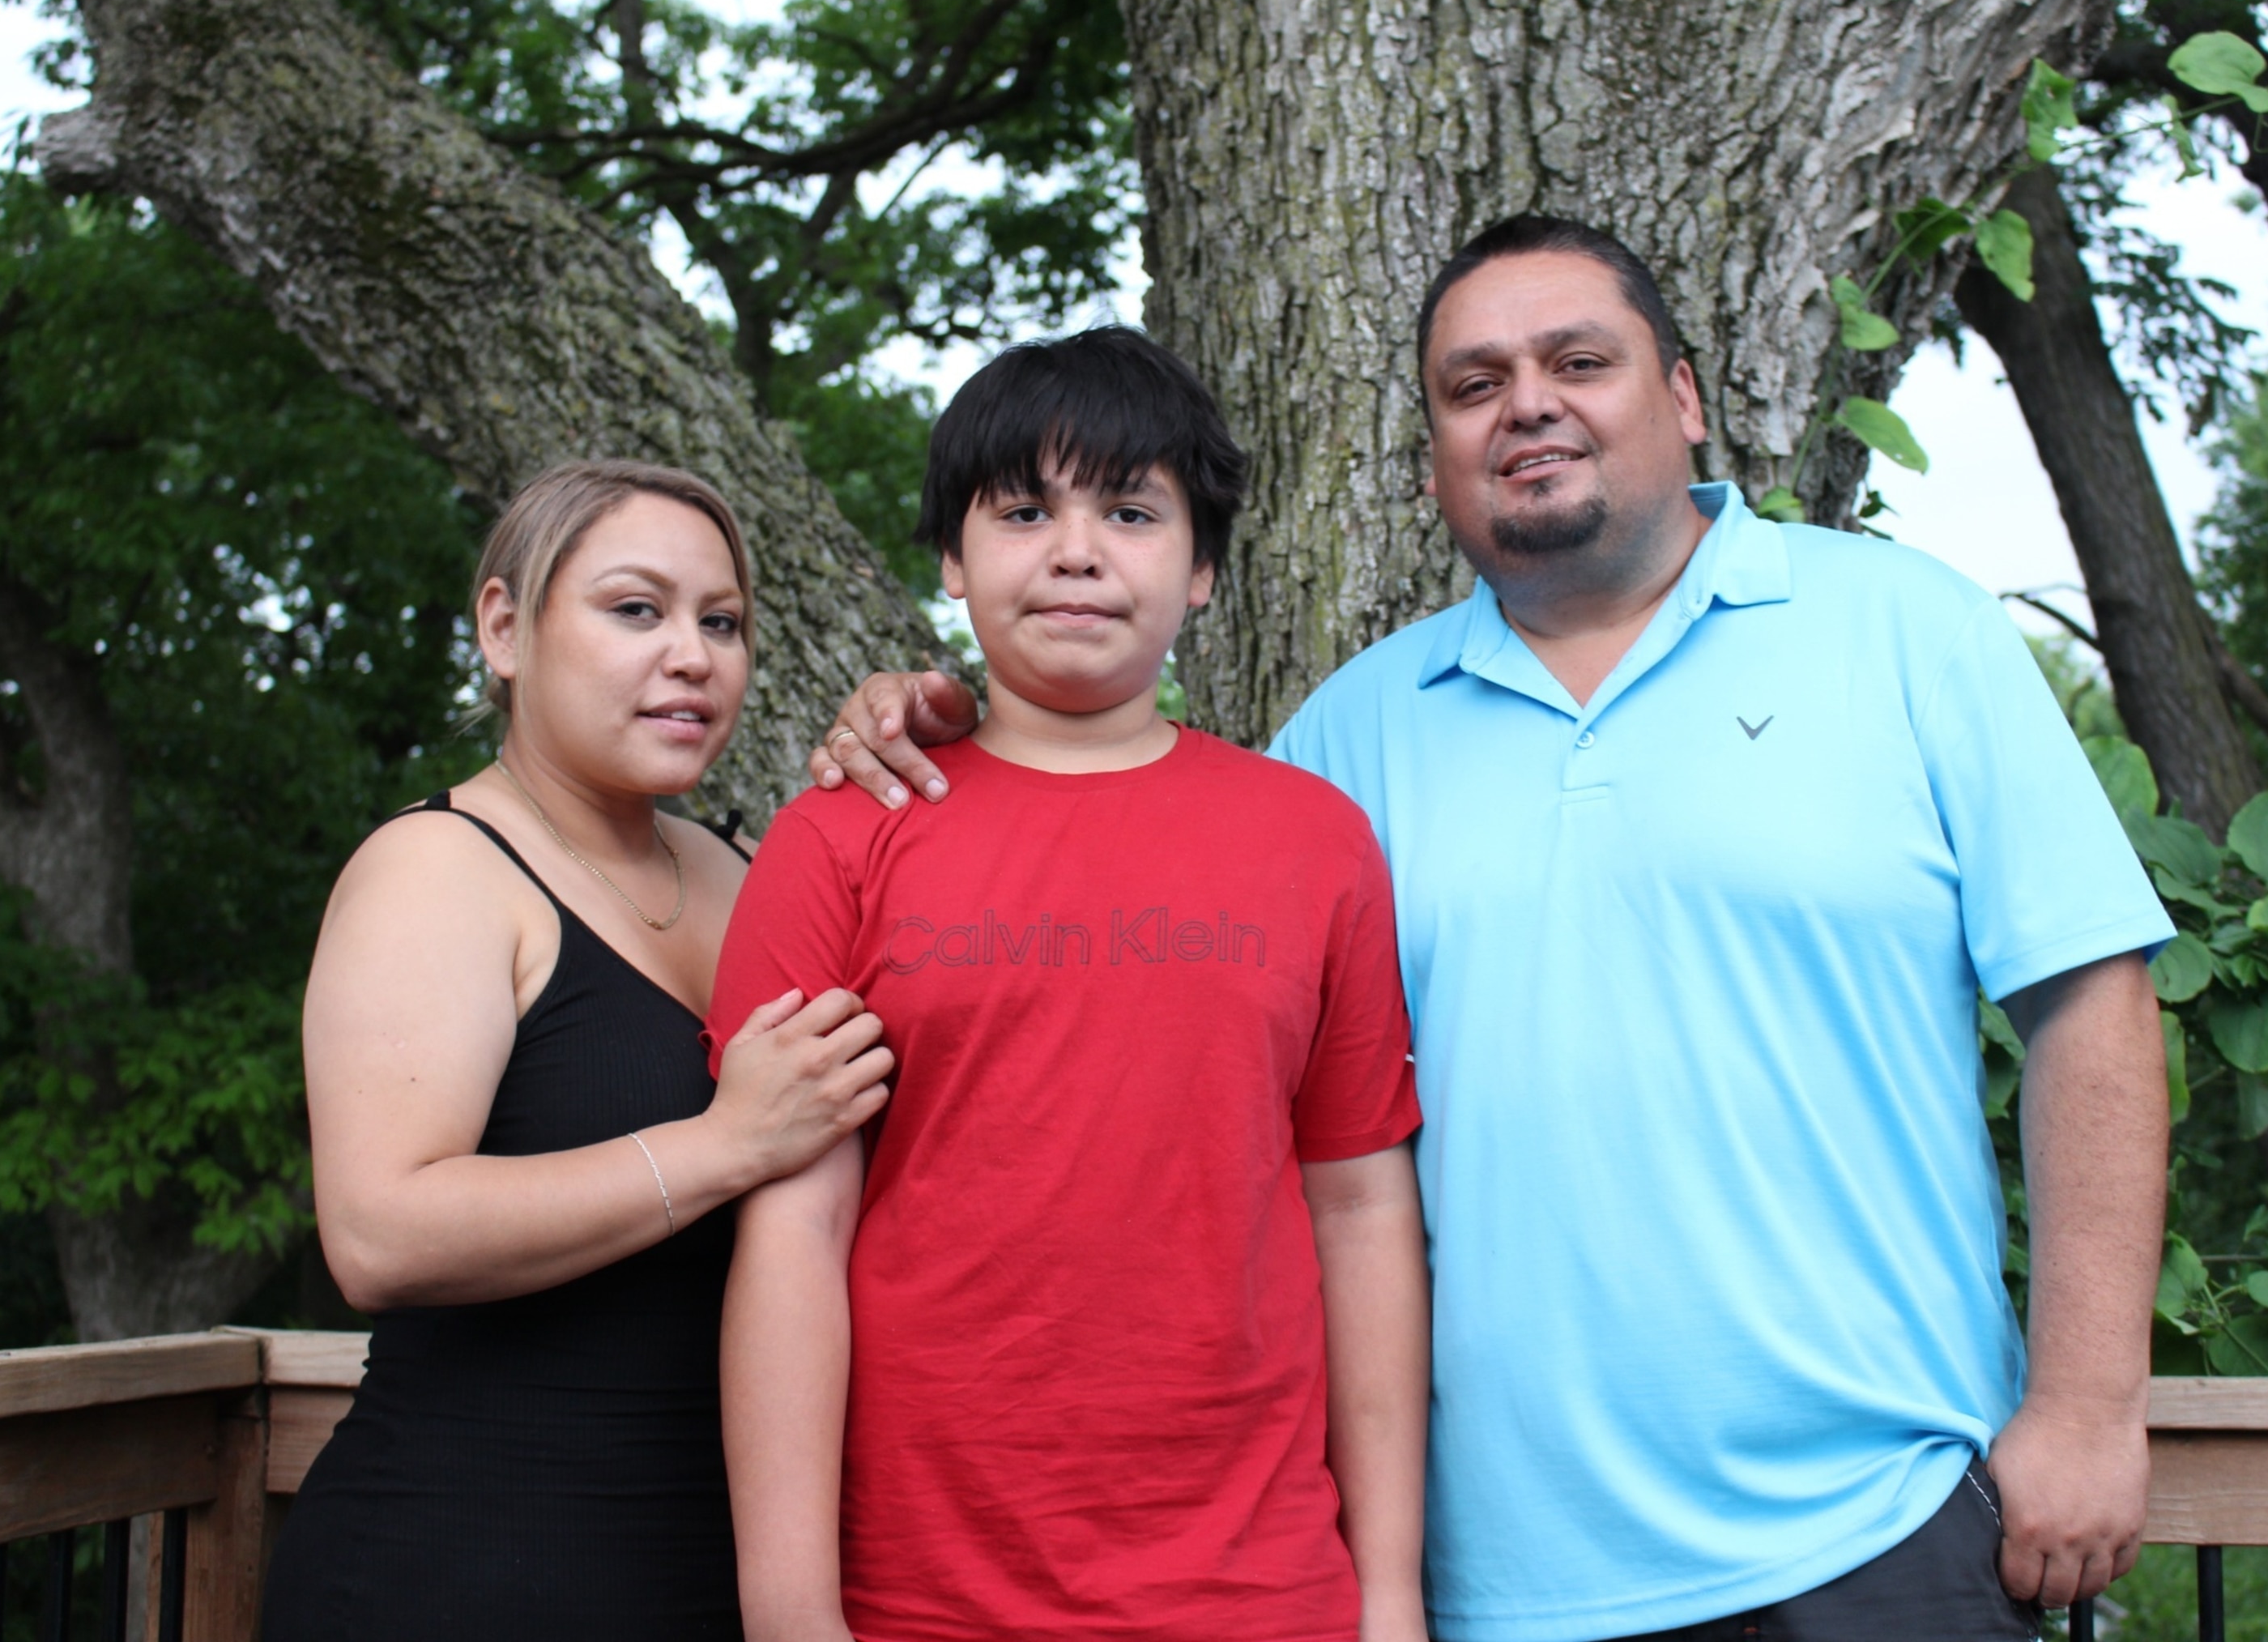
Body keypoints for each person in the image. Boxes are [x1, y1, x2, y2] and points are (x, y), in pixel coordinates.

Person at [812, 219, 2173, 1641]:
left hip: (1878, 1533)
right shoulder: (1342, 745)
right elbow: (1113, 923)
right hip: (1486, 1581)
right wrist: (941, 723)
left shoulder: (1909, 633)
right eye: (1473, 385)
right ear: (1433, 462)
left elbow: (2091, 1005)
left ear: (1686, 399)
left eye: (1578, 360)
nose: (1527, 403)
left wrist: (2087, 1404)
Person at [712, 327, 1432, 1642]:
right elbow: (792, 1236)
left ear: (1204, 567)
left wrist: (1389, 1598)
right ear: (952, 554)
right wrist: (792, 1614)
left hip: (1261, 1591)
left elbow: (1361, 1212)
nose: (1078, 550)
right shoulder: (843, 832)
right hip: (918, 1594)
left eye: (1133, 510)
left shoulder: (1314, 838)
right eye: (1025, 510)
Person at [265, 459, 896, 1641]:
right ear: (505, 628)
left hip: (711, 1570)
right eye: (636, 609)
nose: (693, 656)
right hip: (465, 1568)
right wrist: (723, 1145)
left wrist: (934, 719)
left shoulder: (738, 870)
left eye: (723, 623)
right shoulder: (436, 869)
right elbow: (378, 1235)